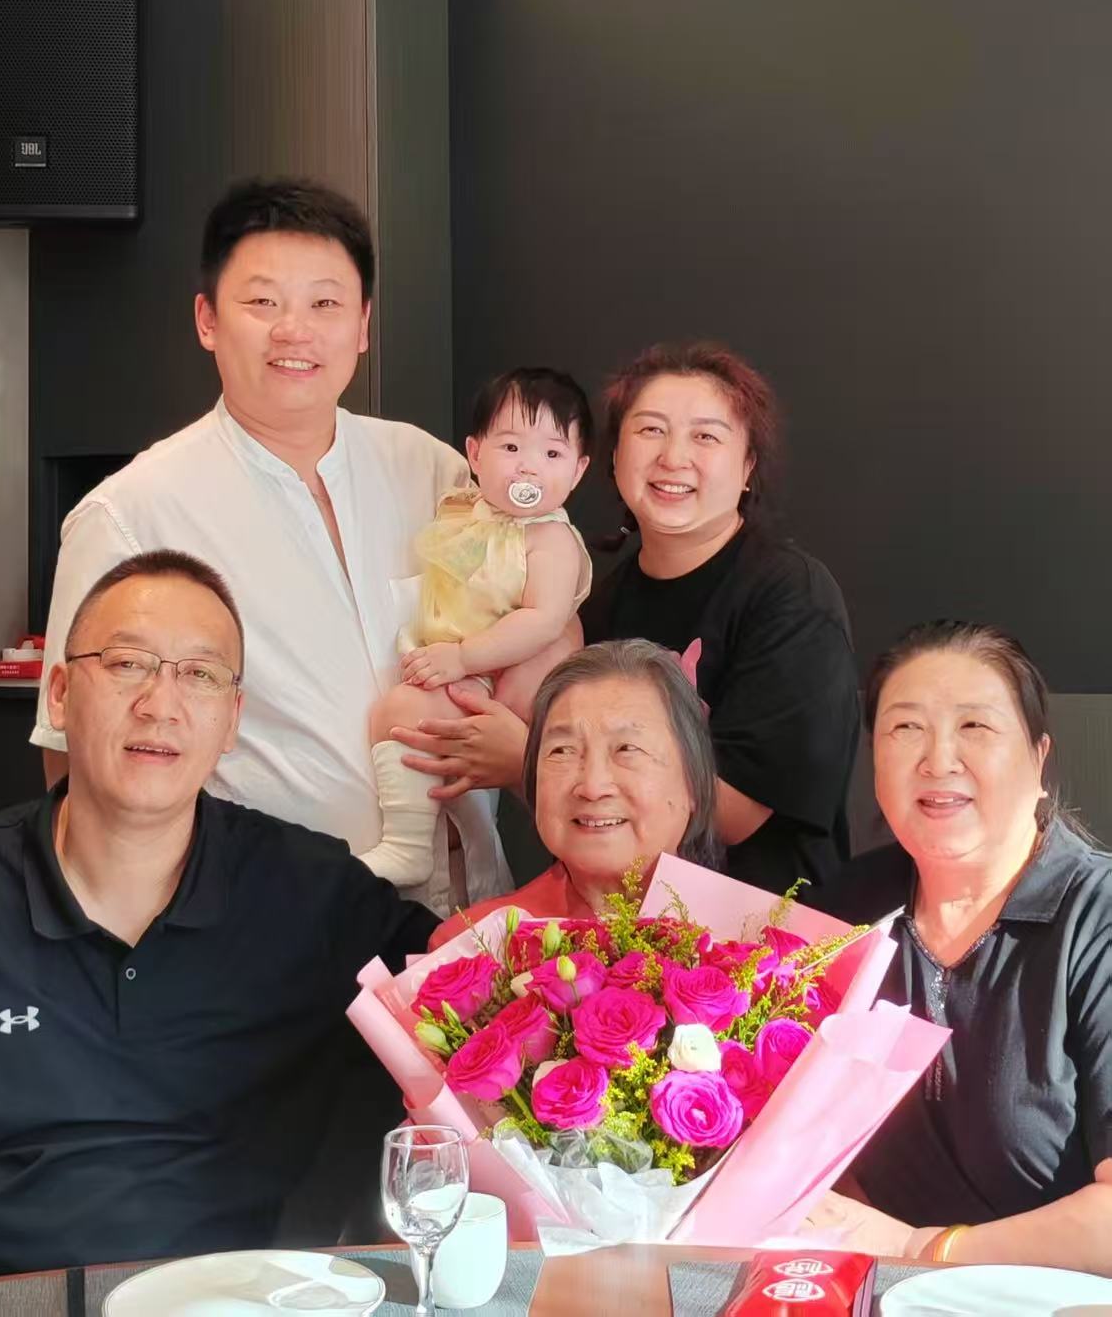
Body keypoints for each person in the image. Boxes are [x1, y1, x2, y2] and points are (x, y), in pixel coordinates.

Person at [0, 552, 439, 1298]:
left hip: (235, 1301)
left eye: (200, 675)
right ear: (59, 694)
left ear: (231, 720)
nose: (161, 704)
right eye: (127, 664)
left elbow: (486, 986)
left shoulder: (312, 892)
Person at [31, 177, 509, 917]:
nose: (294, 331)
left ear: (362, 324)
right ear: (207, 319)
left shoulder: (434, 473)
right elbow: (73, 755)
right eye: (262, 302)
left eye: (325, 304)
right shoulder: (131, 513)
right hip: (270, 919)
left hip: (473, 911)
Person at [397, 342, 860, 893]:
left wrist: (524, 758)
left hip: (760, 929)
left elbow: (741, 814)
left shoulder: (790, 596)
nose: (673, 457)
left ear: (747, 467)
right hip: (621, 927)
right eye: (651, 430)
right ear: (613, 458)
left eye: (706, 437)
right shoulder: (595, 608)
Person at [802, 621, 1112, 1275]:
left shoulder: (1097, 919)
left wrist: (919, 1249)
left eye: (974, 726)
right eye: (905, 727)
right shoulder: (841, 912)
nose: (938, 759)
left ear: (1038, 758)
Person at [363, 368, 593, 888]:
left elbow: (543, 620)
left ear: (578, 470)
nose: (528, 467)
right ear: (474, 454)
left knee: (402, 713)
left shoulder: (550, 541)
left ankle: (409, 845)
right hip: (450, 658)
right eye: (511, 447)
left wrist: (464, 657)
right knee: (392, 714)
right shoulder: (464, 511)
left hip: (496, 675)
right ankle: (416, 839)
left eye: (552, 454)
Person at [431, 639, 720, 948]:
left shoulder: (751, 933)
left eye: (627, 748)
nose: (592, 787)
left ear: (693, 782)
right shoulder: (471, 948)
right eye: (562, 750)